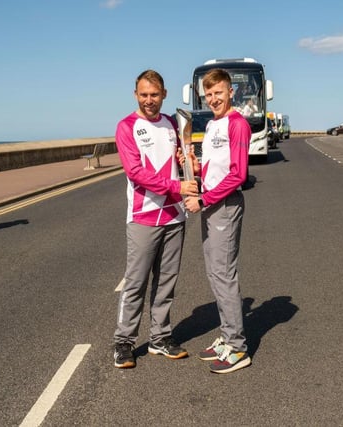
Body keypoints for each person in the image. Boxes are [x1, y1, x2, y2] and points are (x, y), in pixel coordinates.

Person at [112, 70, 199, 369]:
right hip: (143, 215)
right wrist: (177, 186)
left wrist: (187, 161)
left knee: (166, 282)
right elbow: (135, 172)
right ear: (136, 94)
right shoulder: (127, 127)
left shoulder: (174, 124)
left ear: (164, 94)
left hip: (175, 215)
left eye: (155, 94)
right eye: (144, 94)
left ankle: (160, 337)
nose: (150, 100)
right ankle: (123, 341)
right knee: (135, 282)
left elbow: (181, 158)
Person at [183, 68, 251, 374]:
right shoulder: (211, 125)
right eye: (208, 94)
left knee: (223, 274)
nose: (213, 99)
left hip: (224, 205)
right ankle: (226, 335)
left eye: (218, 93)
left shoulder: (237, 125)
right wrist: (193, 167)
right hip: (210, 204)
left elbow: (237, 174)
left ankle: (237, 347)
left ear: (230, 92)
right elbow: (213, 168)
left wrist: (203, 200)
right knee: (213, 273)